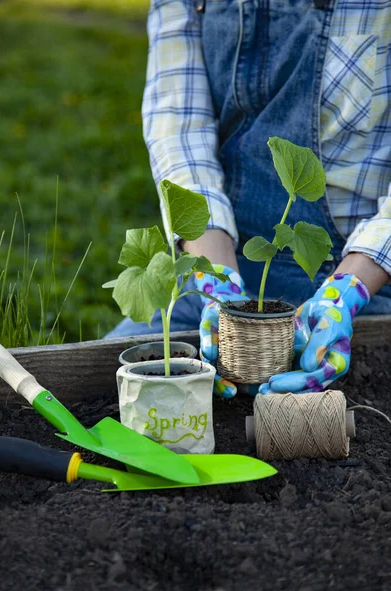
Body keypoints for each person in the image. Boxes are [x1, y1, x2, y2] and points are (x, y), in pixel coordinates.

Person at [108, 0, 390, 397]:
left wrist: (346, 292)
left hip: (359, 288)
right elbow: (179, 128)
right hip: (217, 277)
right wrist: (216, 281)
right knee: (108, 386)